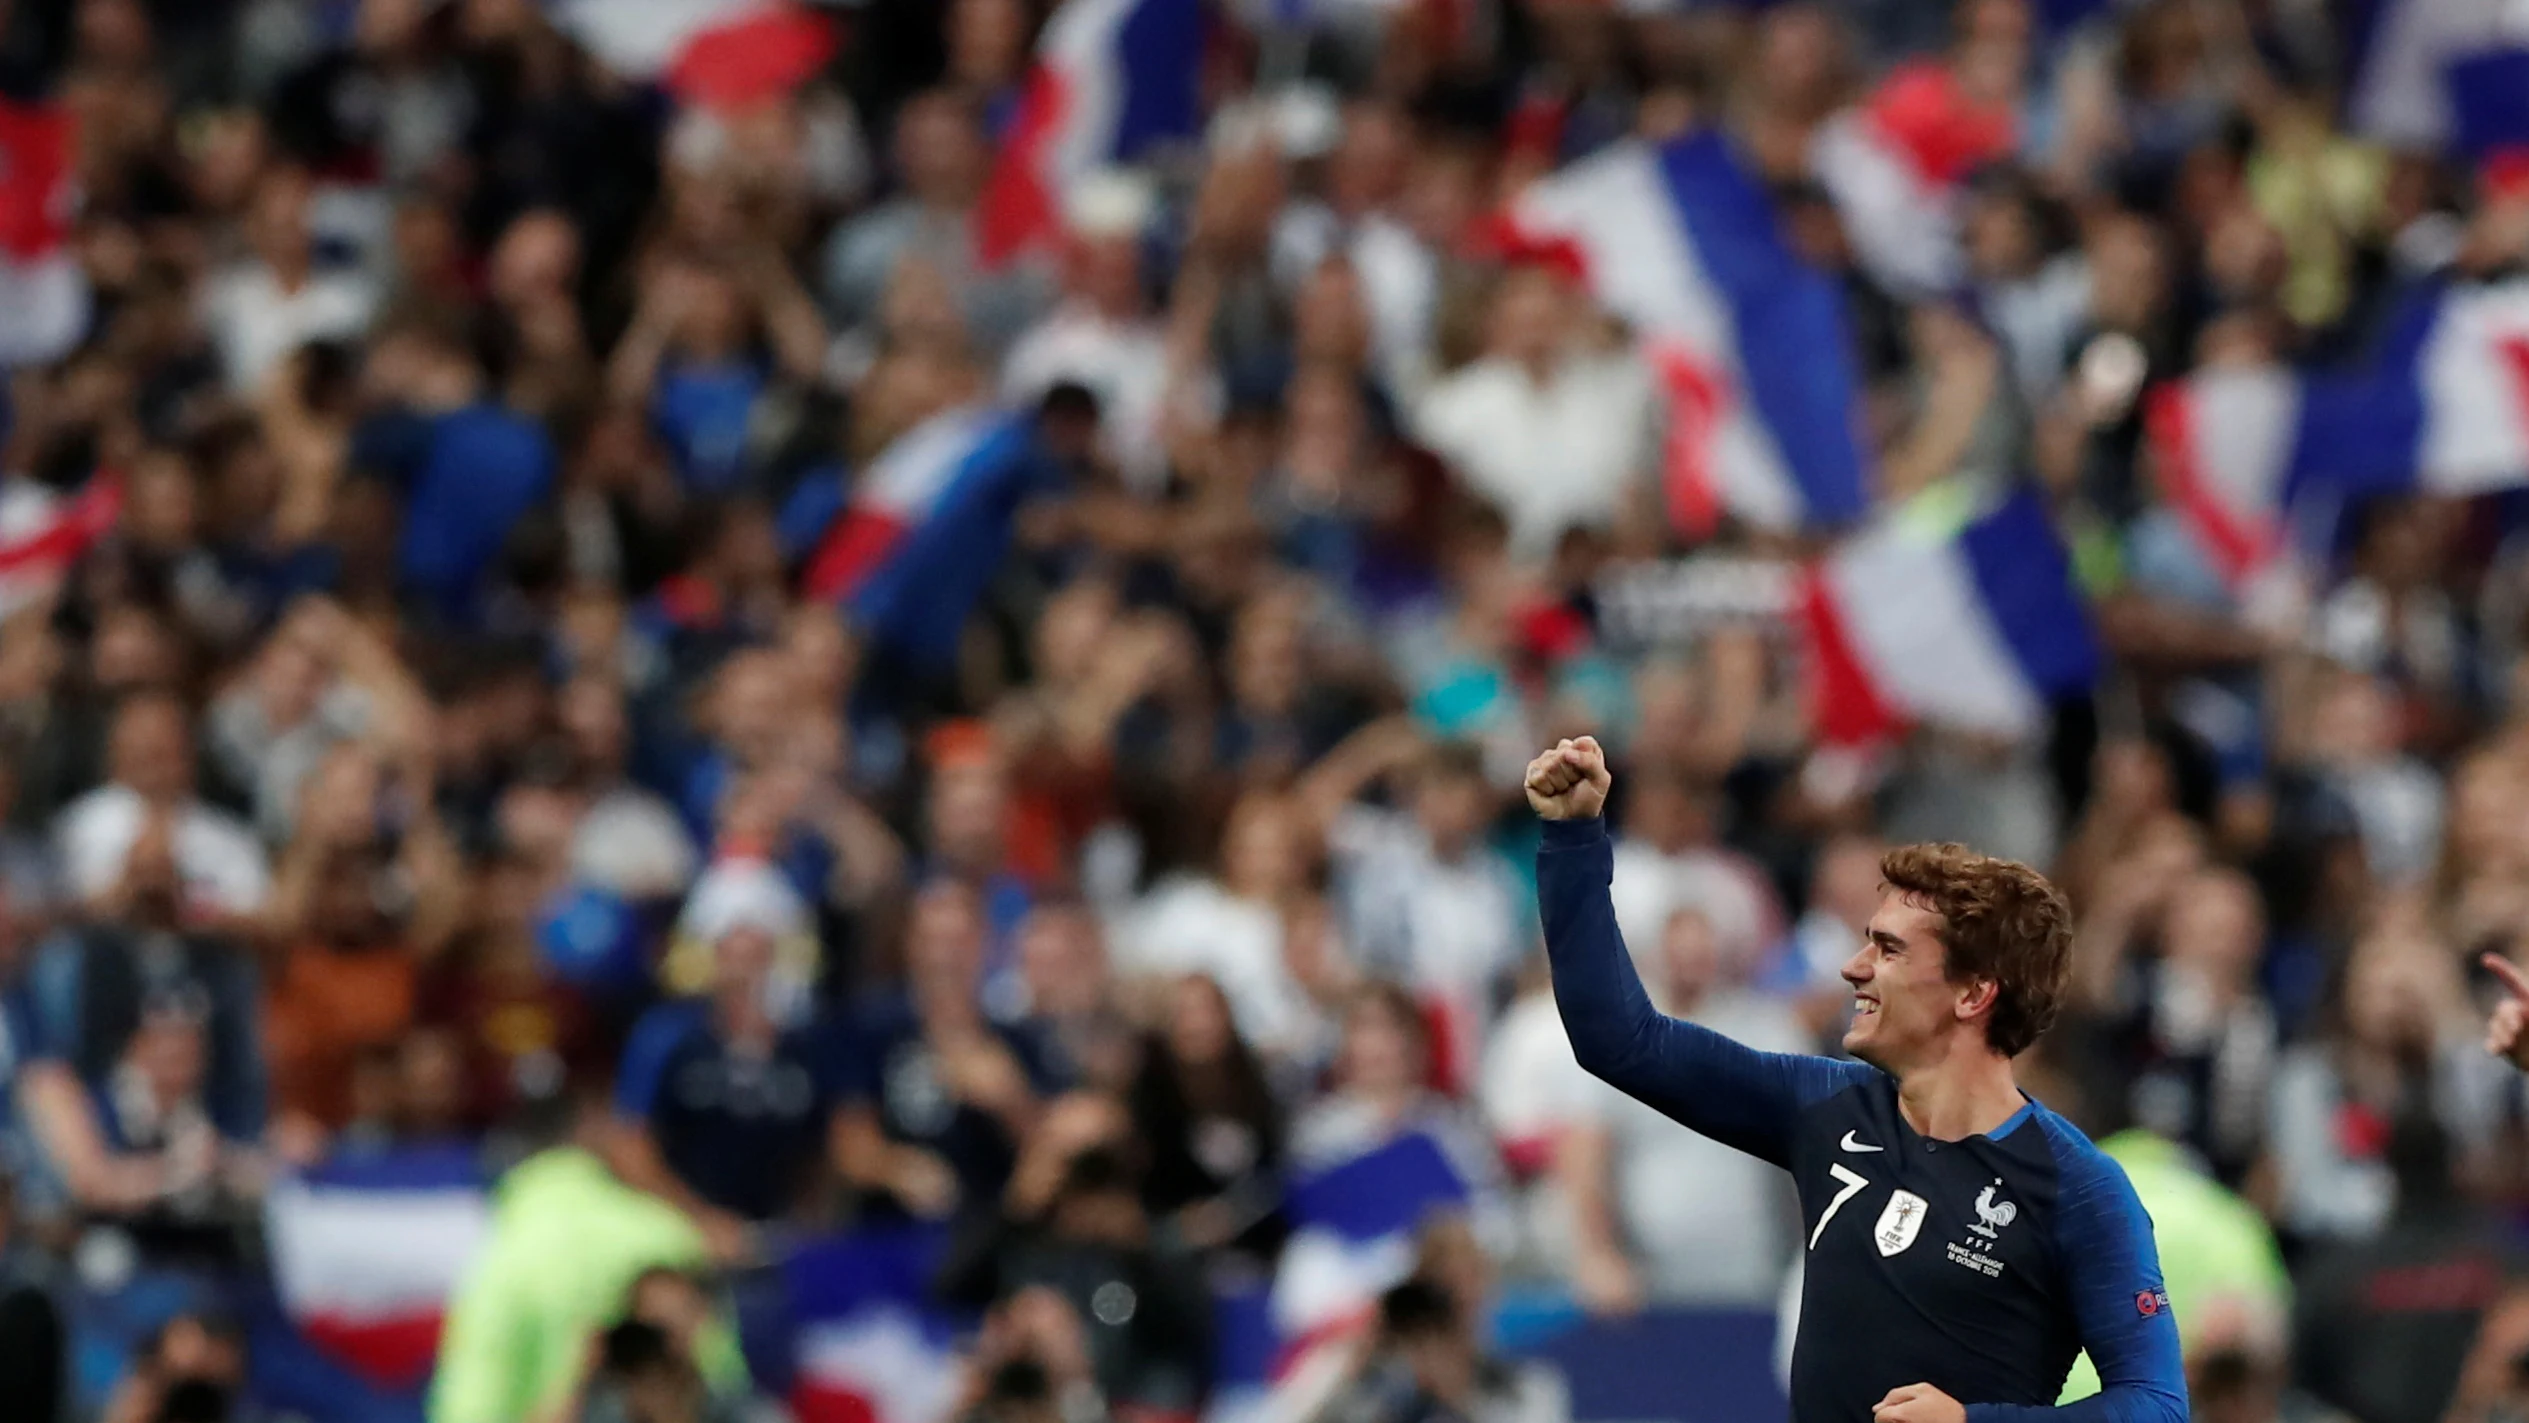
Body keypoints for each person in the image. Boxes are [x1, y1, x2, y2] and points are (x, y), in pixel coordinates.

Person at [1522, 735, 2185, 1423]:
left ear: (1972, 993)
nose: (1852, 966)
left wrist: (1972, 1422)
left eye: (1888, 948)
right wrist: (1572, 836)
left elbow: (2157, 1406)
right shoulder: (1825, 1104)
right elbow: (1619, 1040)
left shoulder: (2077, 1187)